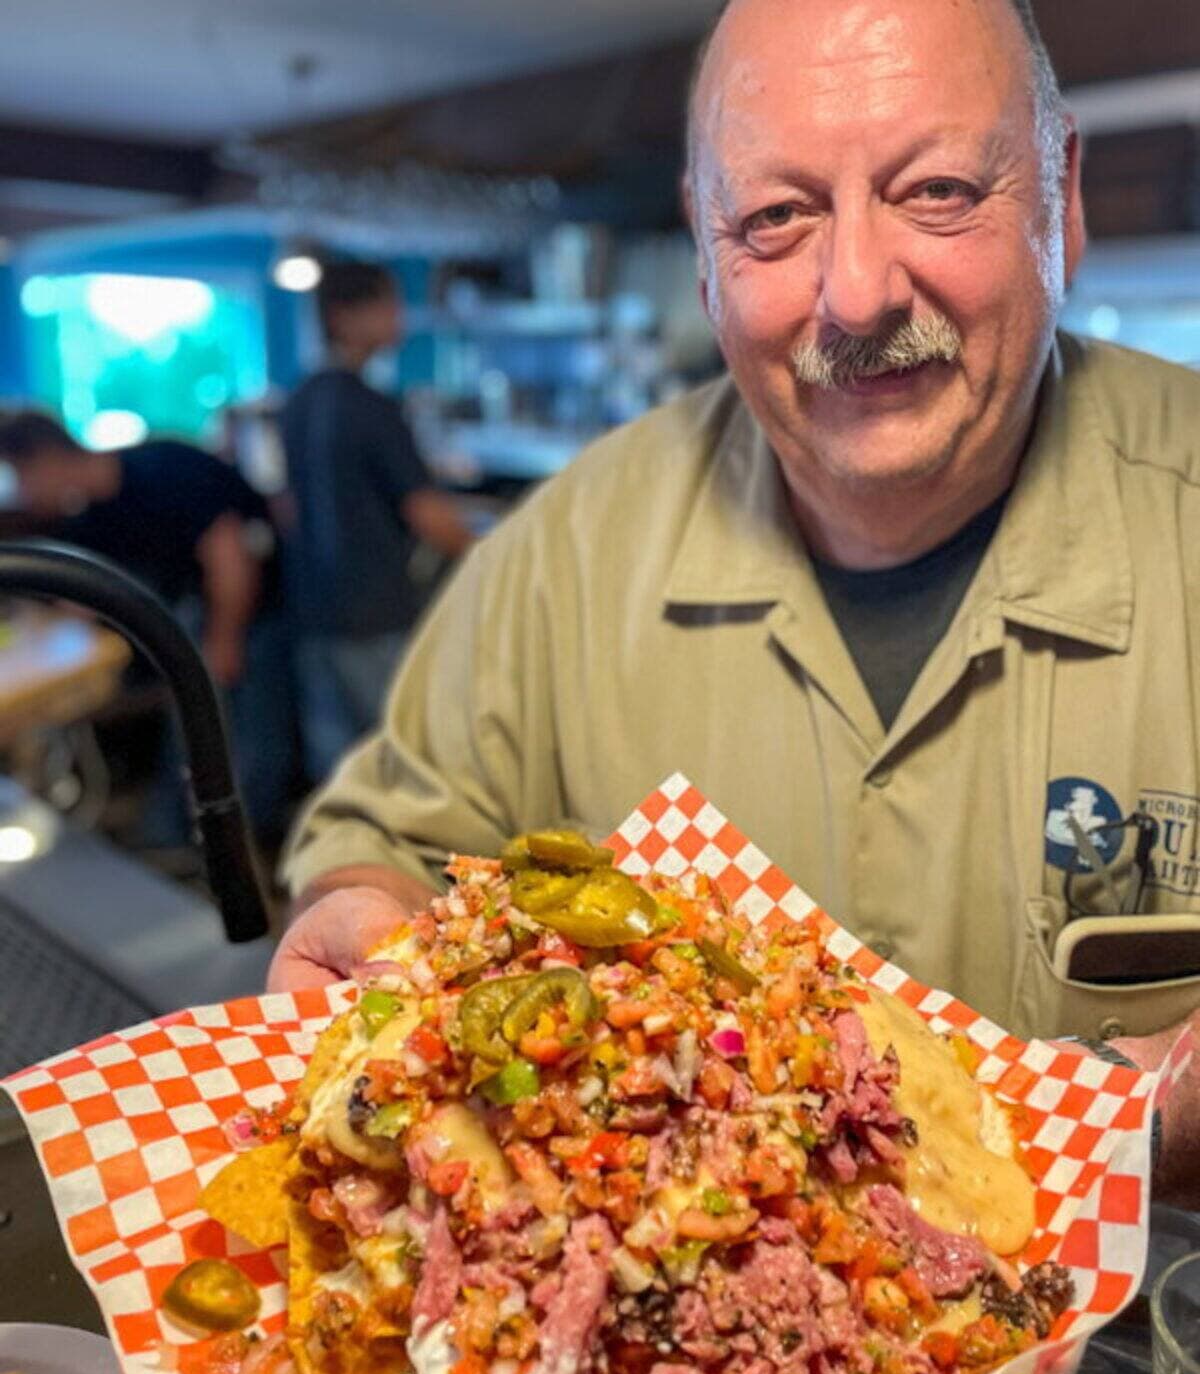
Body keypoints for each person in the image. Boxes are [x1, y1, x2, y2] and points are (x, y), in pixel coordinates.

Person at [270, 0, 1200, 1195]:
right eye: (775, 217)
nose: (857, 296)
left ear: (1061, 192)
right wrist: (363, 905)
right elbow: (388, 842)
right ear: (705, 257)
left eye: (937, 193)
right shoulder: (564, 554)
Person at [0, 410, 295, 847]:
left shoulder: (161, 471)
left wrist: (223, 642)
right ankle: (187, 847)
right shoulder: (90, 513)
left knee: (244, 743)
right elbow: (81, 597)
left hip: (252, 612)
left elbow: (230, 559)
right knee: (196, 741)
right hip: (199, 615)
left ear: (46, 459)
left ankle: (249, 852)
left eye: (19, 475)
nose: (20, 492)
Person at [280, 258, 473, 785]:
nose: (399, 318)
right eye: (387, 305)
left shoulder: (299, 399)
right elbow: (426, 512)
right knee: (406, 766)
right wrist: (496, 559)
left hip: (313, 608)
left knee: (340, 774)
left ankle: (347, 868)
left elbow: (289, 506)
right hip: (374, 610)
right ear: (344, 316)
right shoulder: (370, 405)